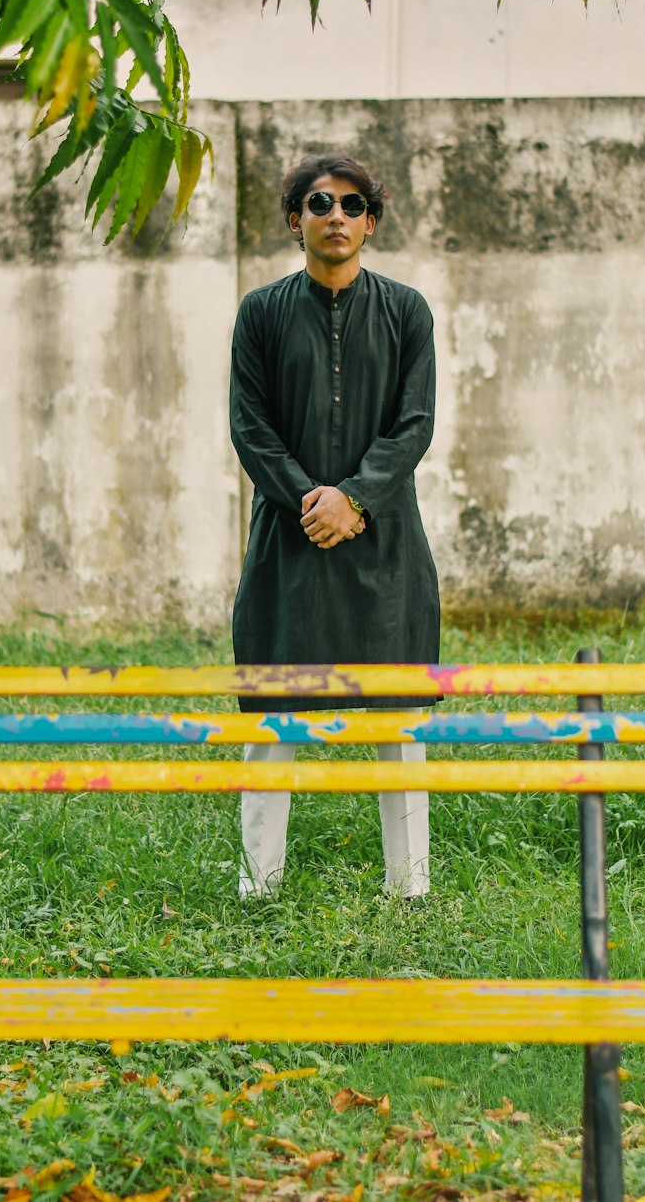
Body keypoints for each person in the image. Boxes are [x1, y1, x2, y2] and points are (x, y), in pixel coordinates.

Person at [229, 152, 440, 901]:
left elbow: (415, 424)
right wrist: (308, 501)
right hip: (289, 545)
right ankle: (260, 888)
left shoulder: (408, 311)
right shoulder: (260, 312)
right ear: (296, 220)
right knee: (272, 714)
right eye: (320, 203)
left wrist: (355, 498)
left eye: (353, 205)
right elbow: (249, 428)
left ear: (371, 221)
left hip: (385, 543)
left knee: (399, 714)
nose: (337, 217)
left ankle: (409, 888)